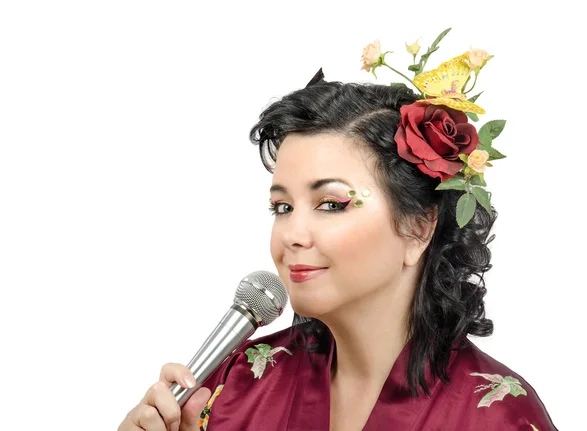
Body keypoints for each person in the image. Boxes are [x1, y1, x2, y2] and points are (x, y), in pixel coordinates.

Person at [118, 36, 557, 430]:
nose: (292, 234)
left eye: (331, 204)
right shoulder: (234, 387)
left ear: (419, 226)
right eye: (282, 207)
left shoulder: (497, 416)